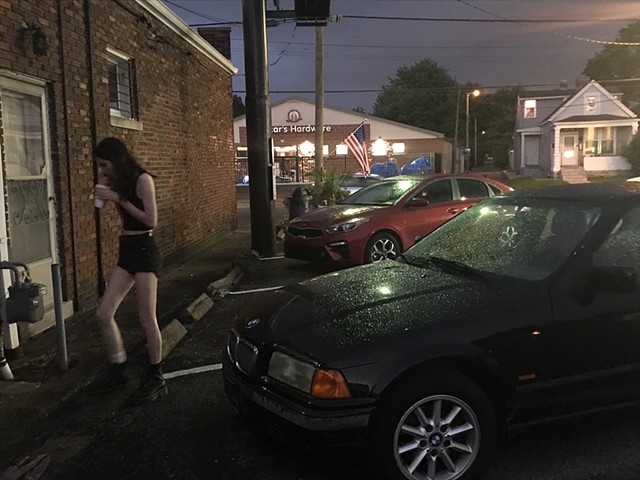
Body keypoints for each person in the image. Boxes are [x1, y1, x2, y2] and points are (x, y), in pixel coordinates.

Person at [88, 137, 166, 404]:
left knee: (146, 318)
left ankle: (156, 376)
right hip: (127, 249)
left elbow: (150, 219)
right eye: (99, 166)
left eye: (104, 165)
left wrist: (119, 199)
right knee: (103, 313)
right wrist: (104, 195)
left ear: (117, 160)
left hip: (144, 248)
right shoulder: (115, 181)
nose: (102, 171)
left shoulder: (143, 180)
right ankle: (118, 367)